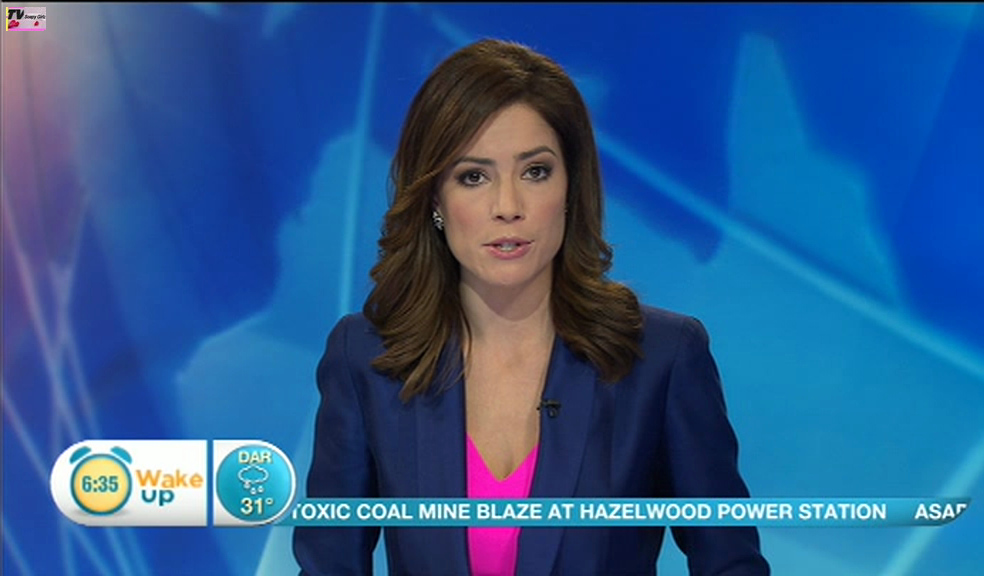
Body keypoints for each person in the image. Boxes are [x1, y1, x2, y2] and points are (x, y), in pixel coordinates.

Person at [294, 38, 770, 576]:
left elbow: (730, 564)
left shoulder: (662, 358)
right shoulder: (365, 358)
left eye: (535, 171)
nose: (508, 207)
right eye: (473, 177)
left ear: (571, 186)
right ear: (434, 199)